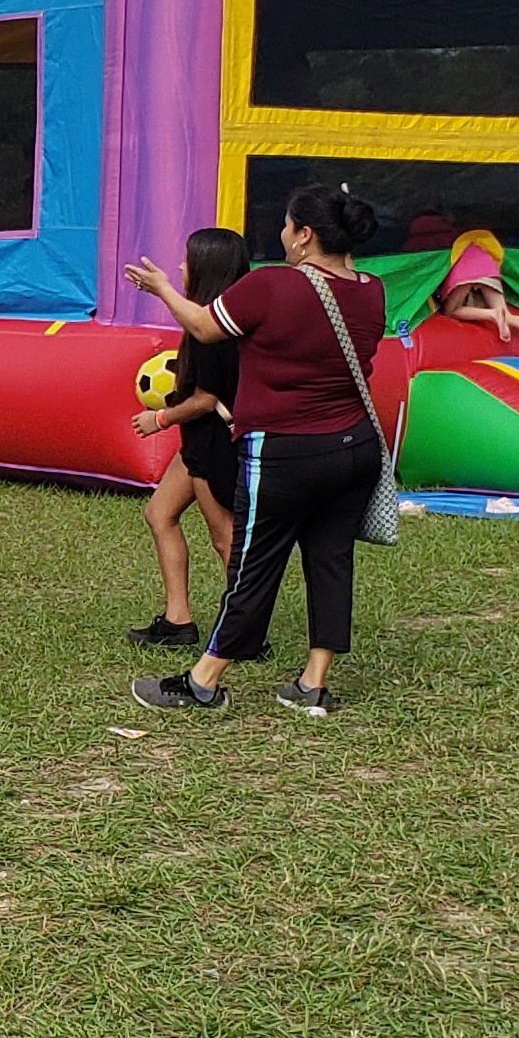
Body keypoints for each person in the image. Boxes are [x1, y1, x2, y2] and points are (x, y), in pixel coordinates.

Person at [122, 180, 390, 719]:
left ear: (305, 235)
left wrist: (160, 288)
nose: (283, 234)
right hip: (354, 447)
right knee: (331, 561)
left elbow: (202, 324)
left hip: (286, 451)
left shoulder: (272, 286)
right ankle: (312, 684)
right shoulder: (371, 290)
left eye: (289, 225)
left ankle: (204, 680)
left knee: (252, 565)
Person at [129, 224, 255, 655]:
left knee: (224, 537)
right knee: (160, 513)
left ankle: (245, 633)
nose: (180, 266)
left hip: (214, 441)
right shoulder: (219, 316)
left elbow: (207, 400)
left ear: (205, 267)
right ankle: (177, 620)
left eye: (187, 259)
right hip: (199, 443)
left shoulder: (211, 330)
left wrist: (160, 418)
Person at [431, 230, 519, 355]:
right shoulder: (481, 245)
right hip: (488, 266)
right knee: (507, 314)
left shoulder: (444, 240)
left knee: (451, 310)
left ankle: (492, 314)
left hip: (467, 266)